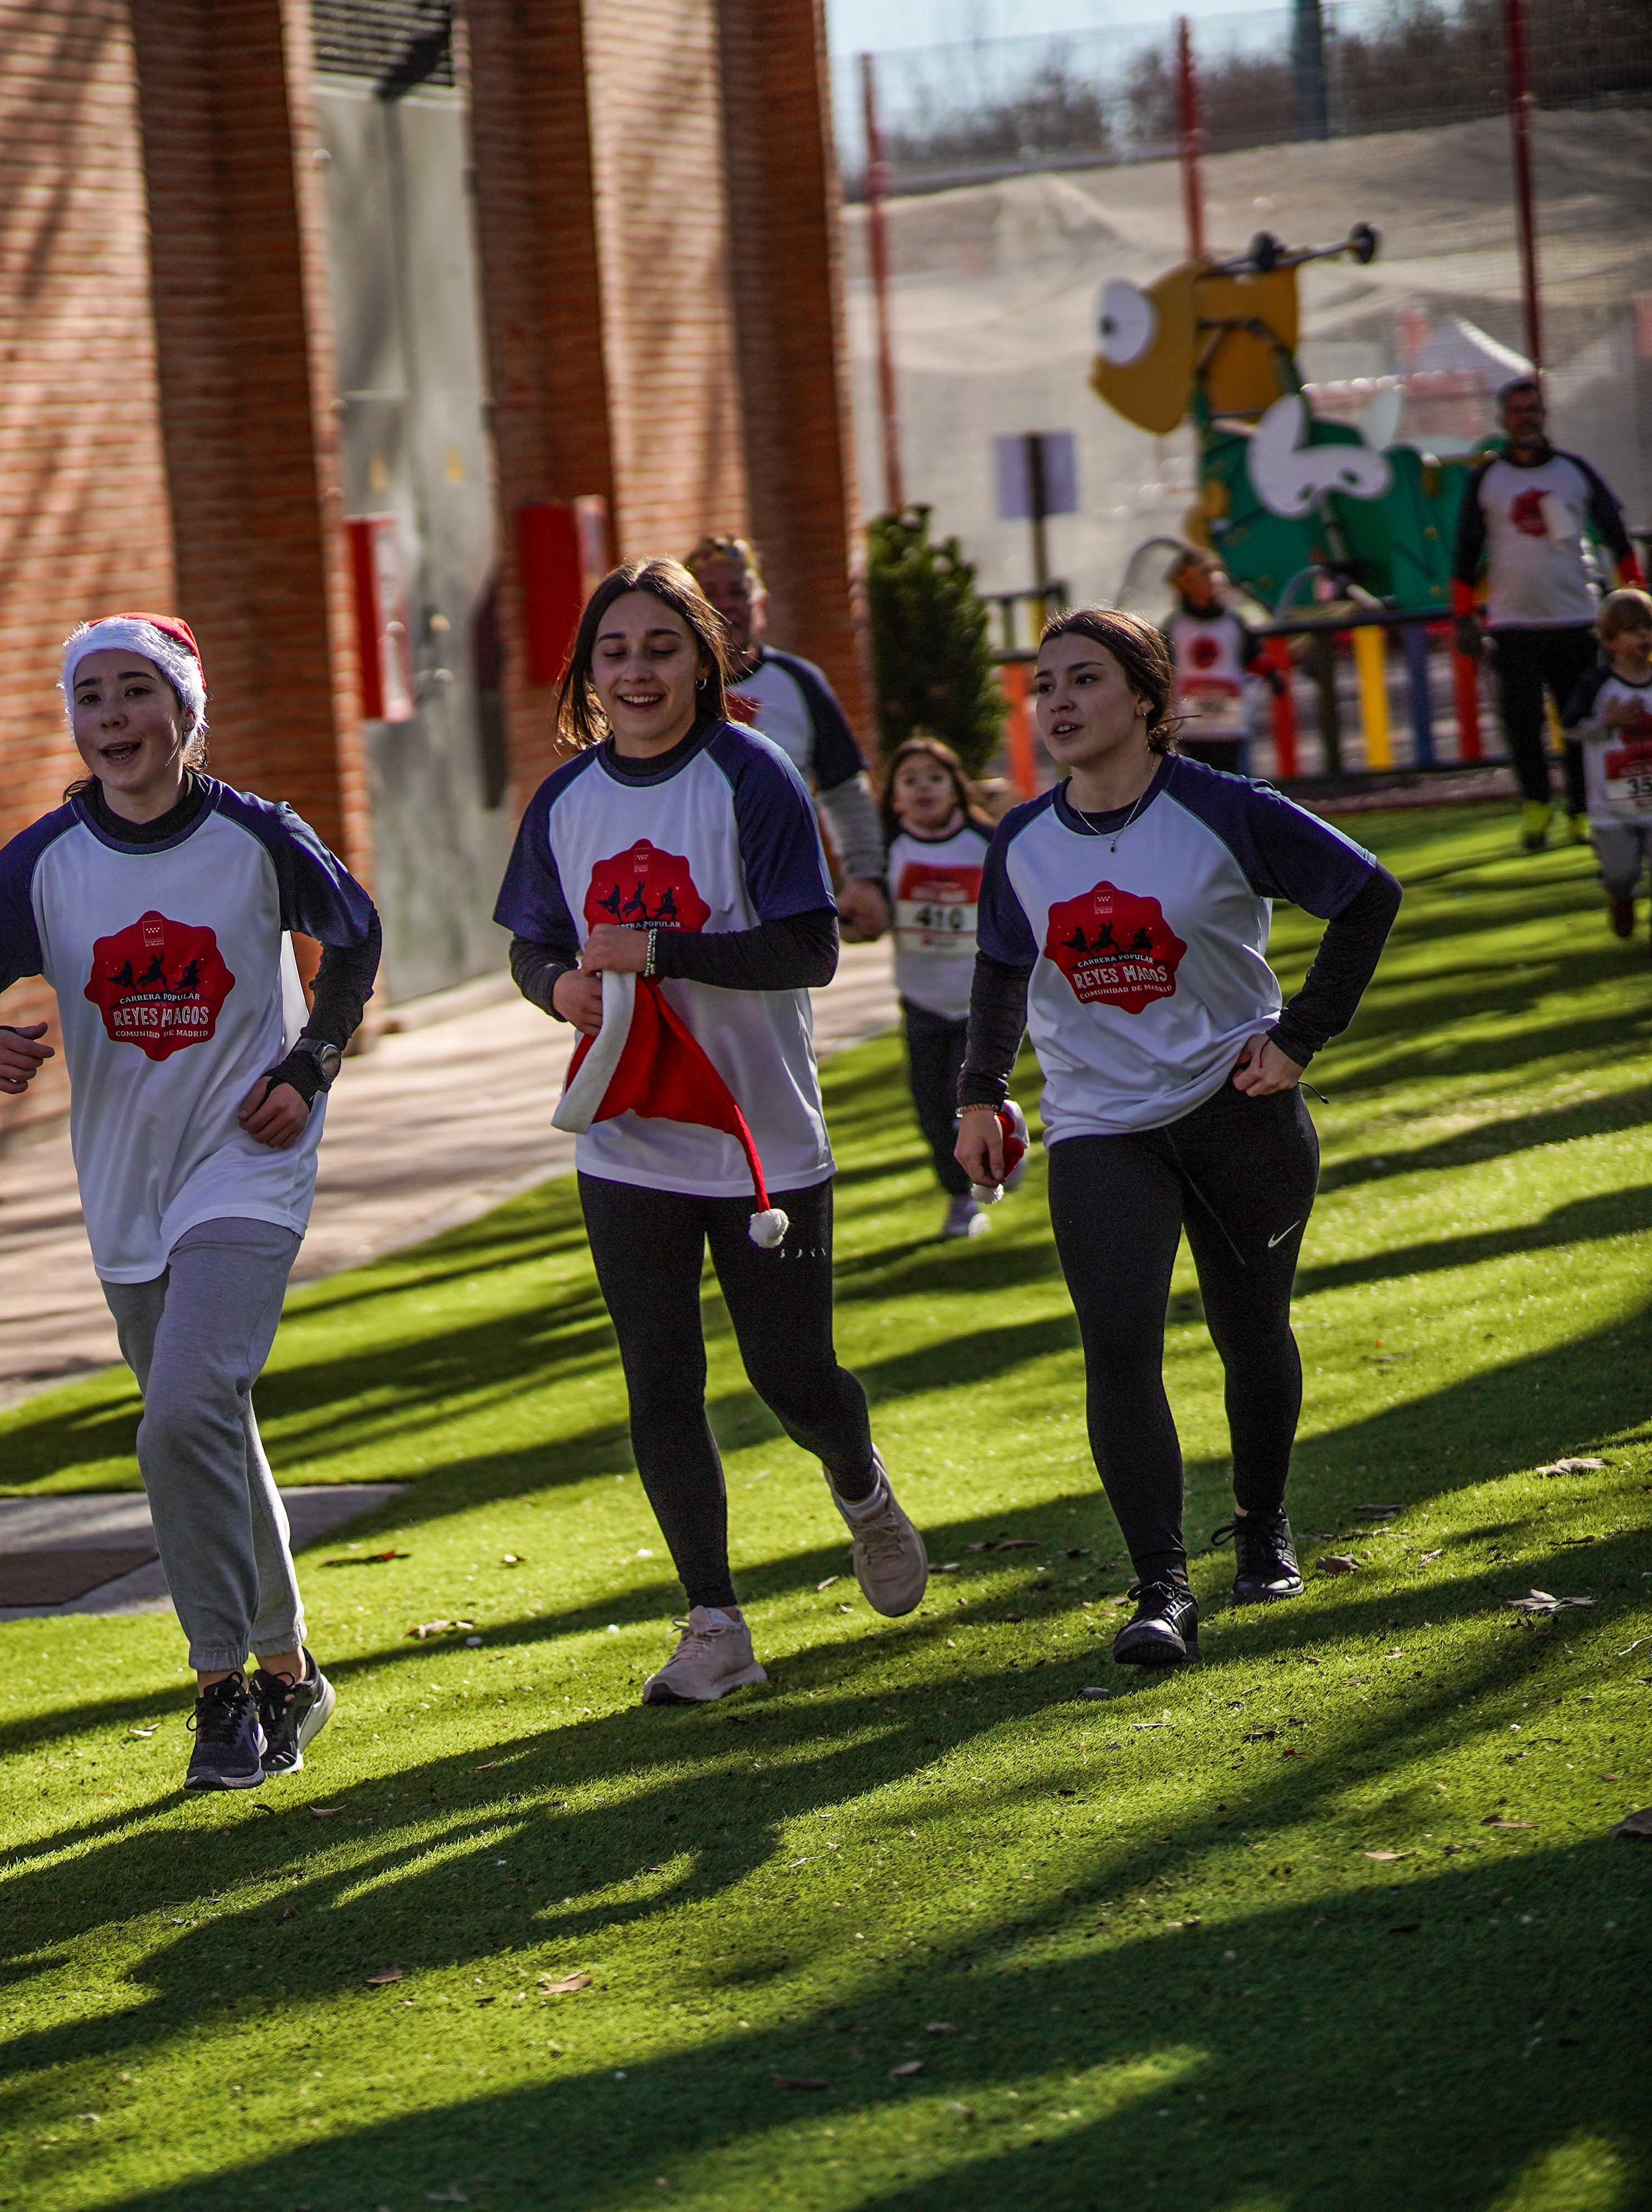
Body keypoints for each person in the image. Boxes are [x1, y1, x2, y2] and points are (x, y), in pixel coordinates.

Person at [0, 614, 380, 1790]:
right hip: (125, 1186)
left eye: (137, 691)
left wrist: (309, 1063)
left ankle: (218, 1681)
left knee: (181, 1412)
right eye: (91, 696)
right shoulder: (40, 862)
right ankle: (290, 1675)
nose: (114, 716)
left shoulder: (257, 836)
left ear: (185, 712)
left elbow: (356, 934)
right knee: (210, 1430)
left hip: (249, 1160)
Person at [497, 561, 929, 1705]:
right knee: (660, 1380)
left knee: (793, 1375)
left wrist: (657, 951)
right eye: (614, 652)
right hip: (626, 1135)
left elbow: (810, 951)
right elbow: (531, 945)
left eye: (659, 648)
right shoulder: (564, 800)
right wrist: (559, 991)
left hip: (761, 1140)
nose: (636, 672)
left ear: (704, 658)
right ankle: (715, 1621)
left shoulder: (755, 776)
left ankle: (861, 1486)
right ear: (588, 672)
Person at [957, 609, 1401, 1668]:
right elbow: (1001, 969)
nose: (1058, 702)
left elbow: (1367, 895)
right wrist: (981, 1095)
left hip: (1238, 1109)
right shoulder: (1021, 840)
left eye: (1085, 680)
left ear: (1148, 701)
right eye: (1045, 686)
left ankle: (1261, 1526)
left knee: (1251, 1334)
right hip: (1102, 1128)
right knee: (1118, 1347)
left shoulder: (1224, 810)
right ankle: (1159, 1587)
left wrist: (1298, 1040)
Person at [1452, 375, 1643, 851]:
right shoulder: (1487, 480)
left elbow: (1617, 538)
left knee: (1579, 723)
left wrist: (1637, 610)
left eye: (1532, 409)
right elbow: (1463, 554)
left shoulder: (1575, 472)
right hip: (1513, 623)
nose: (1526, 418)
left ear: (1544, 414)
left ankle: (1581, 812)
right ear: (1503, 419)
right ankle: (1537, 806)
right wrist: (1463, 618)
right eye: (1516, 410)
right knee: (1521, 724)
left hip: (1578, 620)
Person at [684, 535, 892, 941]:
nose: (726, 605)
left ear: (759, 603)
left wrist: (865, 878)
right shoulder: (667, 689)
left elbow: (845, 790)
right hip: (691, 900)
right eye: (710, 594)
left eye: (738, 592)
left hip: (781, 901)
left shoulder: (800, 682)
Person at [880, 734, 1006, 1238]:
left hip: (981, 1001)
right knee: (930, 1109)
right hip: (920, 1000)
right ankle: (960, 1196)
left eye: (934, 778)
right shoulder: (888, 848)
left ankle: (983, 1177)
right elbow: (866, 912)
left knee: (966, 1101)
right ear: (895, 797)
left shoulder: (986, 841)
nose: (924, 789)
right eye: (911, 781)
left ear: (957, 788)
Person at [1561, 587, 1652, 940]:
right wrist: (1607, 724)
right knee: (1622, 873)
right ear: (1610, 641)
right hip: (1611, 805)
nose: (1643, 636)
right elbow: (1568, 728)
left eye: (1647, 627)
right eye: (1632, 630)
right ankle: (1621, 898)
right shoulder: (1598, 685)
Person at [1161, 552, 1260, 776]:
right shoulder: (1176, 626)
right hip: (1190, 726)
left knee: (1234, 783)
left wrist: (1272, 674)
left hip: (1230, 724)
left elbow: (1253, 657)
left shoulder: (1233, 623)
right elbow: (1162, 669)